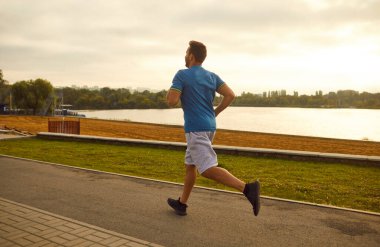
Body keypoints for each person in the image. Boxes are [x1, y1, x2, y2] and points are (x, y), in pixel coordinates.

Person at [166, 41, 261, 216]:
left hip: (195, 129)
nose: (185, 56)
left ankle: (247, 188)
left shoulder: (182, 74)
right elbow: (230, 95)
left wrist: (172, 90)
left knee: (207, 168)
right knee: (190, 166)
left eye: (187, 53)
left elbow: (171, 101)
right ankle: (182, 203)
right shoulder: (212, 76)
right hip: (209, 126)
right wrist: (214, 112)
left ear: (191, 56)